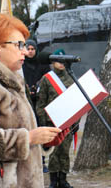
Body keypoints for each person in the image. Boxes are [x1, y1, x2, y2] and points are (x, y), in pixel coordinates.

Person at [0, 13, 69, 188]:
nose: (25, 51)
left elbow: (19, 130)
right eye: (19, 45)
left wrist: (44, 140)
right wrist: (30, 137)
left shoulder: (11, 80)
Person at [36, 49, 77, 188]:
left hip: (67, 121)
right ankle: (53, 180)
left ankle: (63, 179)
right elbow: (41, 102)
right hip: (51, 121)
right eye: (58, 61)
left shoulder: (72, 78)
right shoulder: (47, 79)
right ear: (53, 63)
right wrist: (42, 122)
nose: (61, 64)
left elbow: (76, 101)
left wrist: (75, 121)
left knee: (65, 151)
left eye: (63, 61)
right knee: (54, 152)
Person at [22, 39, 50, 173]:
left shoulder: (42, 64)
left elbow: (47, 78)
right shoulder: (21, 64)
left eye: (33, 49)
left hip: (40, 101)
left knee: (40, 130)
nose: (30, 51)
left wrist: (38, 86)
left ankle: (42, 161)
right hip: (26, 101)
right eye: (28, 49)